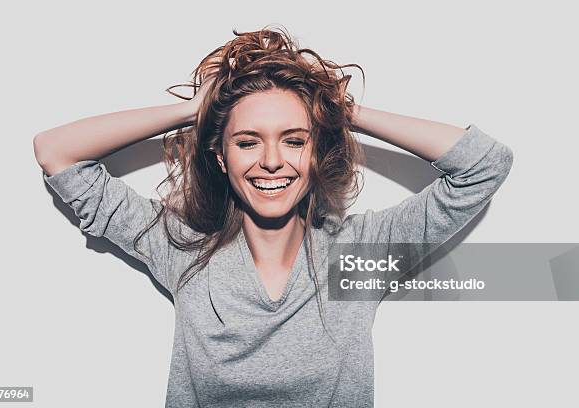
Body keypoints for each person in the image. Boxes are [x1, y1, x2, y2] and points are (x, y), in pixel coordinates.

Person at [33, 26, 513, 408]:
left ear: (316, 151)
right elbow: (57, 151)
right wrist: (198, 109)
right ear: (221, 157)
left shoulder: (357, 257)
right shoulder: (183, 251)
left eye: (294, 139)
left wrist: (340, 110)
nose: (270, 161)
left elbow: (483, 166)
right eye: (247, 141)